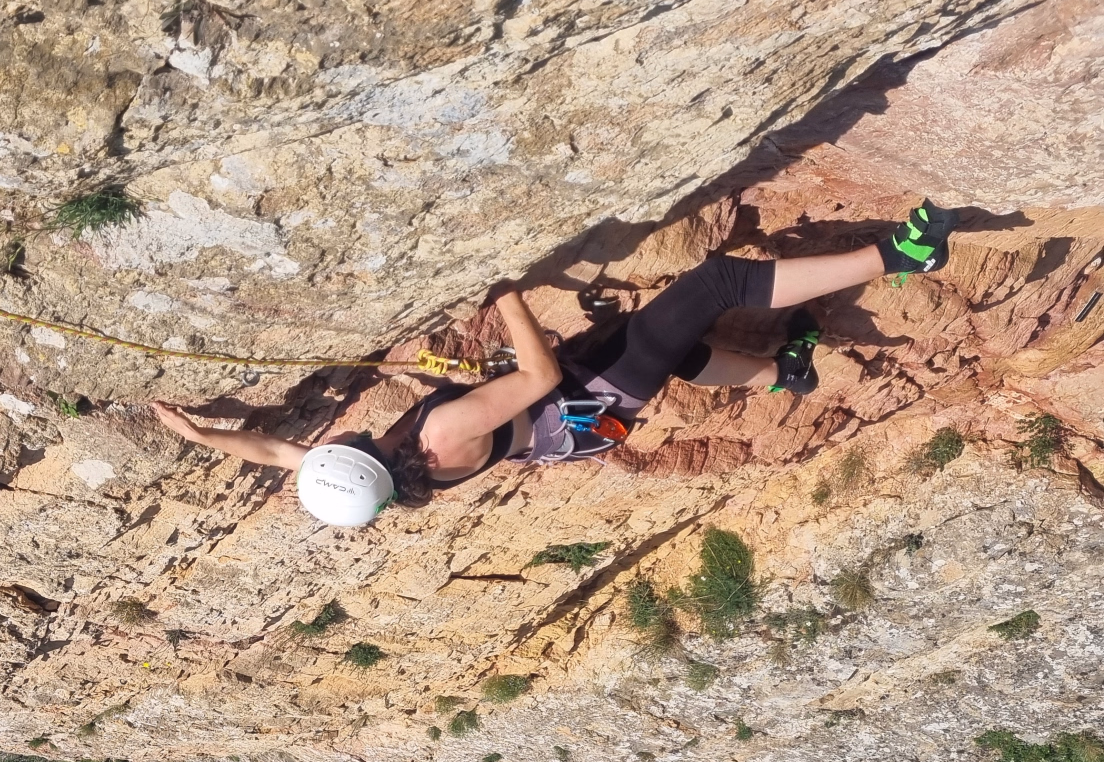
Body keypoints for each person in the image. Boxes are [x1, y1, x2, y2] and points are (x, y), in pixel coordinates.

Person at [151, 203, 958, 527]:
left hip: (587, 417)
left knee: (675, 352)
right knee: (715, 283)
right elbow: (534, 379)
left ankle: (787, 372)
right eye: (345, 442)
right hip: (588, 387)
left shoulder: (396, 477)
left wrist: (198, 435)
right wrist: (507, 295)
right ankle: (899, 254)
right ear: (365, 459)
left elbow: (278, 454)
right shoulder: (441, 434)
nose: (344, 432)